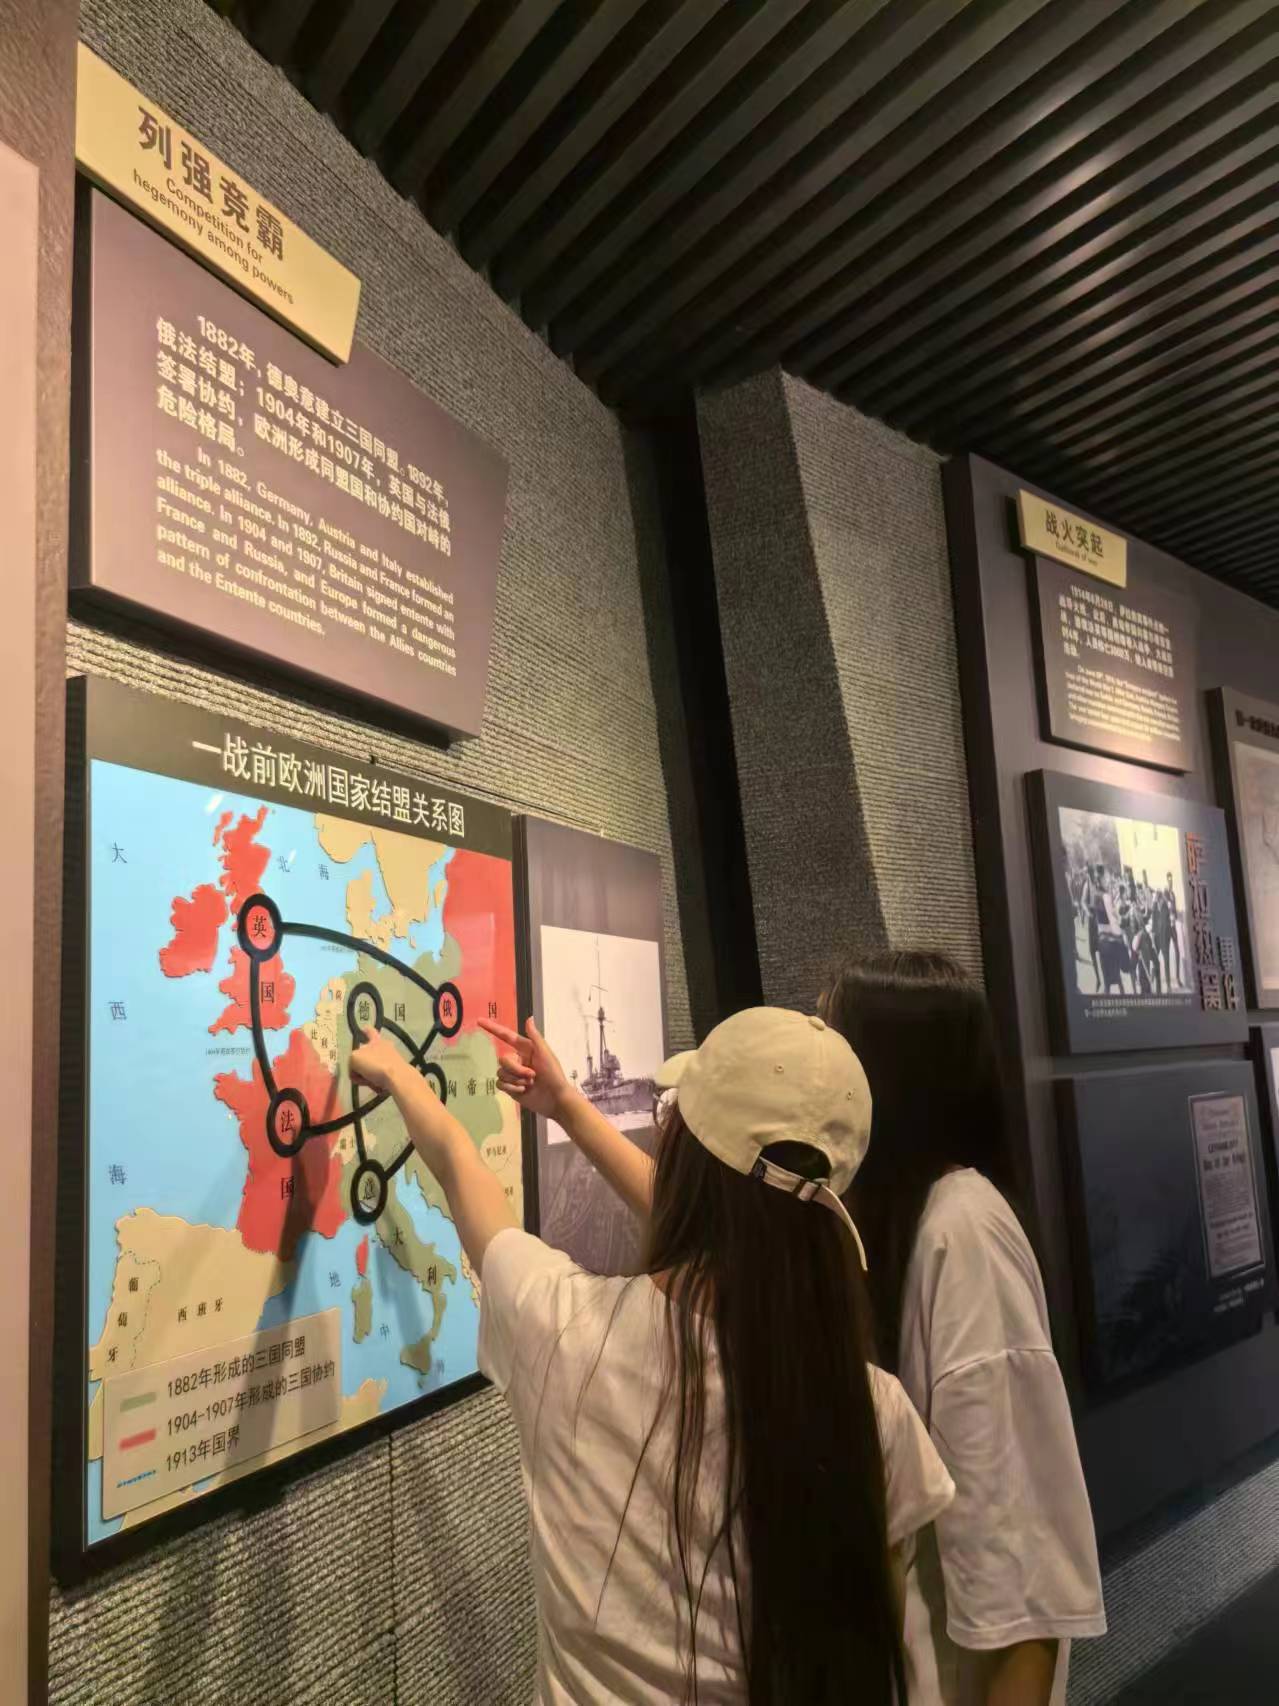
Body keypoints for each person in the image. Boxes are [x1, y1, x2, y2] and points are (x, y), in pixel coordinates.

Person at [352, 1006, 955, 1704]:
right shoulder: (872, 1415)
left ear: (685, 1164)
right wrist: (567, 1105)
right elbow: (747, 1222)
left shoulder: (565, 1331)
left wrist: (397, 1073)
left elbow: (461, 1166)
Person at [822, 952, 1105, 1706]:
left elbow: (1017, 1567)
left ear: (886, 1076)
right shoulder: (897, 1219)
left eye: (832, 1046)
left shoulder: (962, 1235)